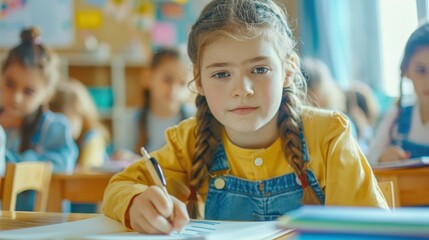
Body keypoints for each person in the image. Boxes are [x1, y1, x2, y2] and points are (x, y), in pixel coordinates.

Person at [103, 0, 387, 234]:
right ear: (198, 82)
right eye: (221, 74)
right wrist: (136, 202)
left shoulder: (327, 135)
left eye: (259, 70)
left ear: (288, 70)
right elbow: (120, 186)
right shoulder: (188, 140)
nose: (242, 89)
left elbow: (366, 228)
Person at [0, 27, 78, 210]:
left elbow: (63, 163)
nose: (16, 97)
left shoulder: (54, 127)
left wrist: (12, 160)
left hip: (43, 227)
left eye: (29, 91)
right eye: (10, 84)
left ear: (46, 94)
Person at [113, 48, 195, 160]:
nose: (173, 89)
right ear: (148, 77)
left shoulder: (196, 120)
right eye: (167, 79)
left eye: (182, 83)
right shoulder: (131, 120)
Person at [367, 23, 429, 164]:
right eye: (421, 71)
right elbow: (367, 160)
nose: (428, 81)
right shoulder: (396, 118)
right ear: (406, 71)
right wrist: (382, 157)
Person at [50, 78, 109, 170]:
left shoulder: (93, 138)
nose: (61, 129)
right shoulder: (61, 140)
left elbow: (87, 171)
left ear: (82, 115)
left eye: (66, 123)